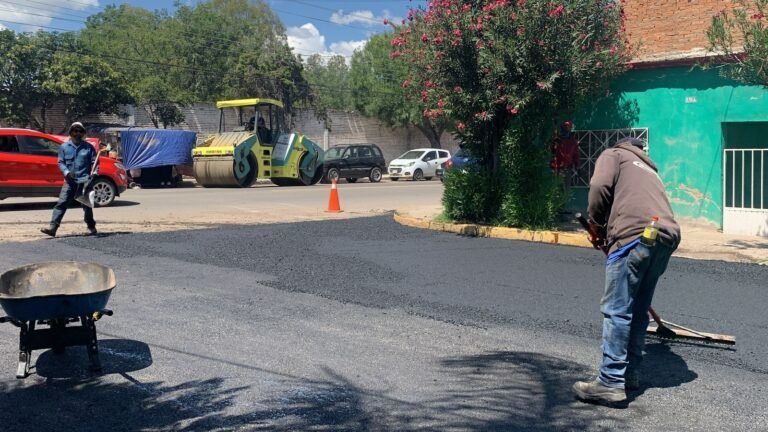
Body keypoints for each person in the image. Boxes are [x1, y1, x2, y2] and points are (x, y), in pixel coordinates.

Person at [573, 137, 681, 405]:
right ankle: (629, 374)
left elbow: (599, 187)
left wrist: (597, 225)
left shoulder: (614, 154)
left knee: (617, 309)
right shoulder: (649, 169)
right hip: (666, 238)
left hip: (635, 236)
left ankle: (610, 381)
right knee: (638, 307)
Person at [41, 122, 99, 238]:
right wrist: (66, 172)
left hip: (84, 181)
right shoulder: (64, 147)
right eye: (75, 131)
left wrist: (95, 173)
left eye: (80, 131)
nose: (77, 134)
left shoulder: (88, 147)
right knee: (61, 203)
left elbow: (95, 163)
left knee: (87, 206)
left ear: (83, 133)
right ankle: (53, 228)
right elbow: (61, 162)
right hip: (69, 181)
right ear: (71, 132)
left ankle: (91, 227)